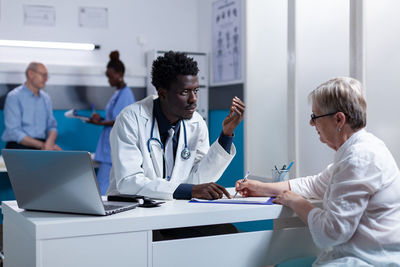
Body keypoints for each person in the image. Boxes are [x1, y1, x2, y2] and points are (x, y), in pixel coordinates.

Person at [236, 77, 400, 266]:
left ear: (339, 119)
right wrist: (262, 187)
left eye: (315, 117)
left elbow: (330, 234)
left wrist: (297, 202)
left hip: (369, 261)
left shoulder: (359, 158)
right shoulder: (359, 150)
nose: (311, 124)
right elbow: (315, 185)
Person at [107, 50, 245, 201]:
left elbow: (199, 179)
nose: (193, 99)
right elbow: (129, 181)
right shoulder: (131, 119)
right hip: (135, 211)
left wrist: (226, 135)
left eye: (196, 91)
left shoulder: (196, 123)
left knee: (226, 226)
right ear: (163, 93)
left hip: (176, 210)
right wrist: (187, 190)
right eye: (185, 92)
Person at [88, 51, 135, 195]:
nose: (108, 80)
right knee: (102, 184)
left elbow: (120, 121)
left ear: (119, 74)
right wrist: (100, 119)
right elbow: (113, 117)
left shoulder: (126, 94)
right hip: (108, 147)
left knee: (103, 187)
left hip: (113, 148)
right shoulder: (117, 94)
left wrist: (100, 124)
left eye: (110, 77)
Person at [2, 62, 61, 150]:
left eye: (47, 76)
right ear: (31, 74)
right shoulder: (14, 97)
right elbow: (14, 131)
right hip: (19, 146)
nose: (46, 79)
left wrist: (50, 143)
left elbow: (52, 126)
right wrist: (43, 146)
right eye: (43, 75)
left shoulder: (46, 98)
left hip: (42, 145)